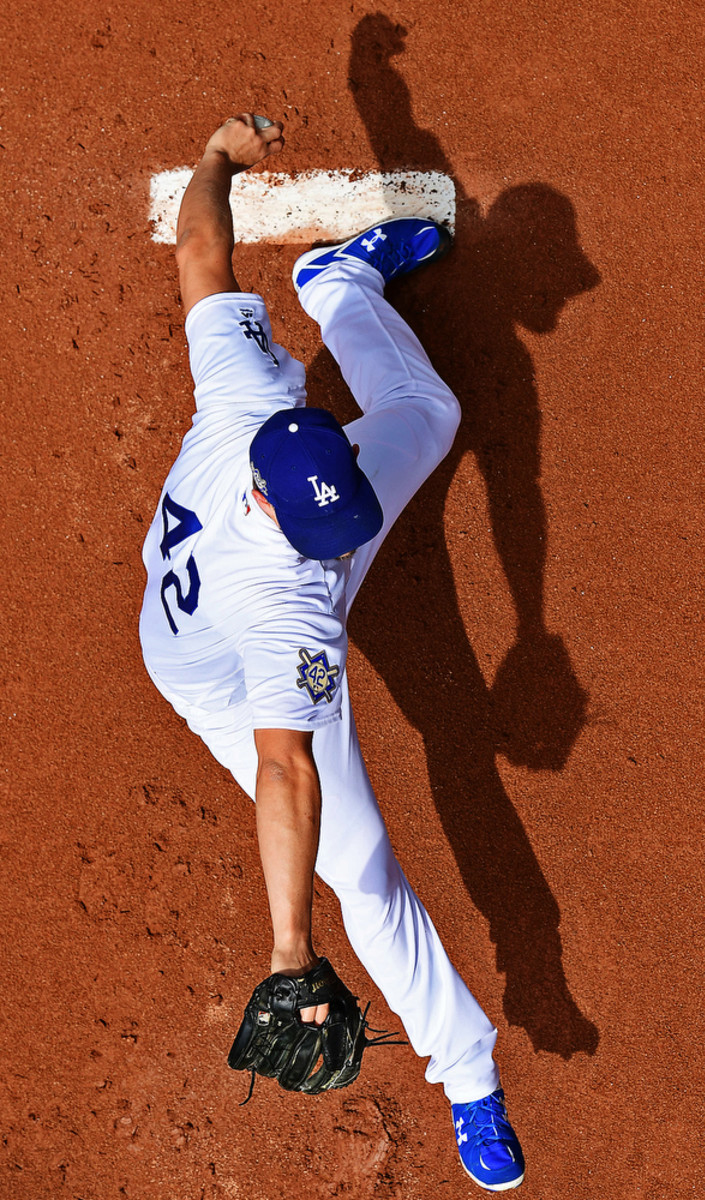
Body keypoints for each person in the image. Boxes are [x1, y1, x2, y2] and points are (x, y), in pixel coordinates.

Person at [138, 114, 525, 1192]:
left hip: (229, 574)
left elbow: (199, 249)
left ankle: (340, 281)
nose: (347, 535)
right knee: (361, 870)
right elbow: (283, 768)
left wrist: (218, 156)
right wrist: (288, 949)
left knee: (425, 410)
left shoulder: (248, 398)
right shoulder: (295, 608)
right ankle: (468, 1073)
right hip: (222, 673)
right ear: (275, 501)